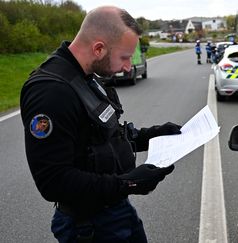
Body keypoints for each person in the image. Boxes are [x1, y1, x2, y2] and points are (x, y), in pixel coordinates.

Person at [20, 6, 182, 243]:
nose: (128, 67)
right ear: (98, 49)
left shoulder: (86, 78)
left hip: (116, 211)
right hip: (89, 226)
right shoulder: (50, 92)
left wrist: (153, 135)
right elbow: (53, 181)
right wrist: (128, 183)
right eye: (125, 57)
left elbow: (104, 137)